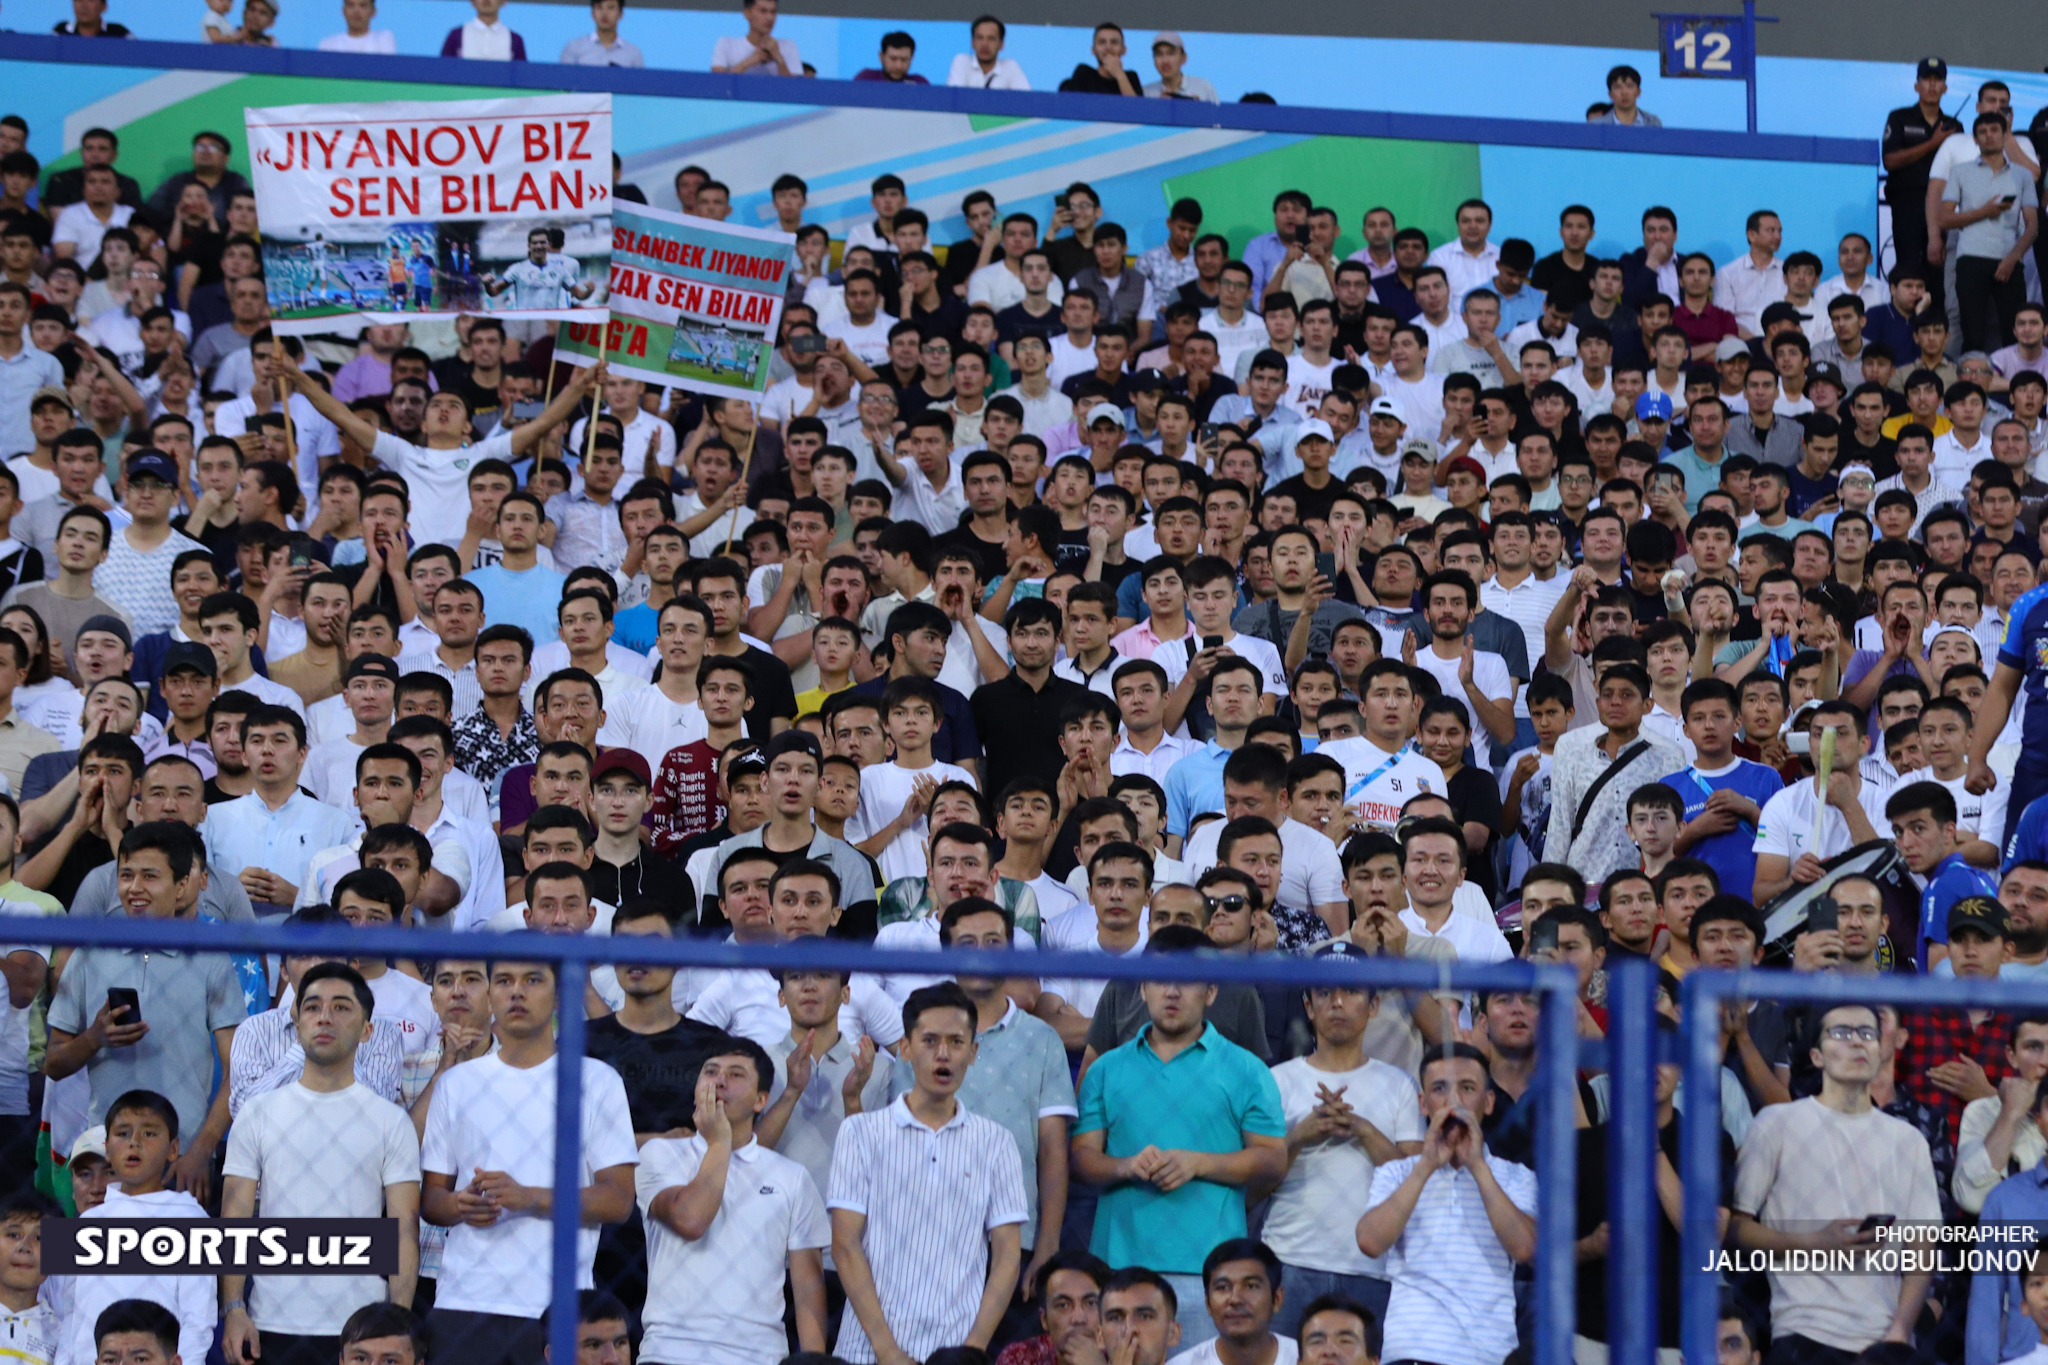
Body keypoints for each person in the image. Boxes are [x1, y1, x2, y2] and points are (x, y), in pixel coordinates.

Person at [419, 954, 637, 1365]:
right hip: (464, 1300)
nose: (516, 991)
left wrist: (531, 1197)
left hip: (556, 1306)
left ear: (558, 995)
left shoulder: (597, 1081)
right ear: (488, 995)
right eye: (503, 980)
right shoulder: (456, 1084)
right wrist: (457, 1205)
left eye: (533, 979)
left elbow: (619, 1200)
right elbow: (432, 1200)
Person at [1073, 956, 1286, 1346]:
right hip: (1117, 1267)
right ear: (1142, 988)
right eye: (1159, 980)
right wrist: (1125, 1166)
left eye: (1186, 981)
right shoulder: (1106, 1069)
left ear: (1211, 991)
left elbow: (1273, 1159)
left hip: (1212, 1275)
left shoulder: (1247, 1069)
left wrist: (1198, 1163)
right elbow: (1082, 1158)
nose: (1171, 991)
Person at [220, 962, 420, 1365]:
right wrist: (234, 1309)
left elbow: (404, 1229)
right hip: (270, 1321)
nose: (324, 1017)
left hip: (360, 1329)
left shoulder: (390, 1120)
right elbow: (235, 1217)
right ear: (296, 1024)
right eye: (312, 1007)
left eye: (342, 1007)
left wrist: (397, 1321)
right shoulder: (257, 1113)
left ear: (367, 1030)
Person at [828, 982, 1028, 1365]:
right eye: (930, 1040)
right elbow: (845, 1245)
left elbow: (1007, 1256)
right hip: (866, 1350)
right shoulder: (860, 1133)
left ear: (973, 1052)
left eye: (956, 1042)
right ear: (905, 1048)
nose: (943, 1055)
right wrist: (887, 1350)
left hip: (957, 1349)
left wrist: (971, 1350)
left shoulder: (996, 1142)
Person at [1732, 1003, 1943, 1360]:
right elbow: (1736, 1228)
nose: (1857, 1043)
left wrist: (1899, 1332)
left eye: (1867, 1034)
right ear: (1816, 1055)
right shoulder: (1776, 1124)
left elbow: (1921, 1251)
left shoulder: (1908, 1141)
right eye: (1841, 1033)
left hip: (1883, 1339)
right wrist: (1813, 1241)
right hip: (1803, 1330)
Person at [45, 824, 245, 1192]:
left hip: (180, 1163)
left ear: (182, 886)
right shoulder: (89, 955)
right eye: (126, 875)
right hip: (104, 1163)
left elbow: (239, 1069)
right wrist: (94, 1038)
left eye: (149, 876)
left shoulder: (211, 959)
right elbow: (54, 1064)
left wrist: (200, 1151)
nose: (134, 888)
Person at [636, 1035, 831, 1365]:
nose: (720, 1081)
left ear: (760, 1100)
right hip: (669, 1352)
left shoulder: (791, 1177)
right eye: (710, 1072)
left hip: (760, 1356)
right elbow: (691, 1220)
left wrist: (813, 1360)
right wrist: (719, 1142)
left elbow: (808, 1289)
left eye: (736, 1074)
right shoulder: (661, 1154)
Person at [1265, 946, 1423, 1335]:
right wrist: (1301, 1134)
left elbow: (1418, 1183)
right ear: (1308, 1006)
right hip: (1289, 1259)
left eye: (1351, 992)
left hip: (1373, 1266)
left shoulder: (1399, 1084)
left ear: (1373, 1006)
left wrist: (1363, 1130)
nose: (1337, 1002)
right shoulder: (1276, 1081)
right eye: (1324, 993)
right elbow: (1252, 1187)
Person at [1356, 1043, 1536, 1365]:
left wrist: (1477, 1166)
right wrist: (1425, 1165)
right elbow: (1370, 1241)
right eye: (1440, 1089)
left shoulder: (1515, 1176)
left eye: (1467, 1088)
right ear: (1423, 1103)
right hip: (1411, 1353)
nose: (1453, 1102)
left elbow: (1525, 1249)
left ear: (1489, 1101)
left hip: (1489, 1356)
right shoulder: (1398, 1173)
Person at [46, 1098, 212, 1365]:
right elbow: (72, 1317)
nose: (134, 1142)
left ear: (173, 1149)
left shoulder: (189, 1217)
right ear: (108, 1150)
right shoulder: (88, 1223)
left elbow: (198, 1317)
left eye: (148, 1133)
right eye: (123, 1133)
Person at [711, 0, 801, 76]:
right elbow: (717, 83)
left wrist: (779, 58)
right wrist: (751, 60)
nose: (769, 18)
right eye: (763, 11)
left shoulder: (788, 46)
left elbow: (797, 89)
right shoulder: (727, 44)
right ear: (747, 14)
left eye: (773, 12)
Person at [949, 16, 1029, 90]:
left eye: (991, 39)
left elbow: (1027, 100)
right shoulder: (962, 62)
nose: (984, 44)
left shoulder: (1010, 67)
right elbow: (953, 98)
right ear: (972, 43)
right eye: (980, 38)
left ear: (1001, 44)